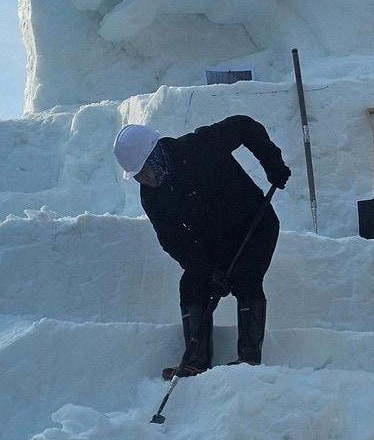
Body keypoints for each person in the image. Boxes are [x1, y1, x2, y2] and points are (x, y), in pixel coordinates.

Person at [114, 117, 291, 377]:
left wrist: (272, 163)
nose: (145, 179)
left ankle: (249, 359)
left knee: (246, 277)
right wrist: (208, 271)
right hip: (212, 244)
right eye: (138, 177)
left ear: (156, 156)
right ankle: (196, 361)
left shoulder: (199, 145)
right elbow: (173, 241)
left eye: (145, 171)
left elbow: (244, 126)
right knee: (192, 285)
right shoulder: (152, 195)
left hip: (254, 225)